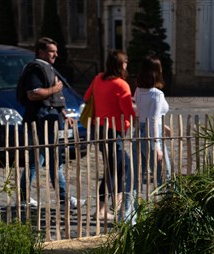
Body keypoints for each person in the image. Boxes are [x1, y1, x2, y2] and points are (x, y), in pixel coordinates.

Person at [19, 36, 85, 209]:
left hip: (49, 118)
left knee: (37, 161)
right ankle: (64, 200)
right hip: (42, 121)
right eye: (51, 51)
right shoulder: (37, 69)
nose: (56, 55)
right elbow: (33, 94)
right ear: (41, 52)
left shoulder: (47, 67)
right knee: (54, 160)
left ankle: (24, 198)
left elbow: (51, 100)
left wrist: (64, 114)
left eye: (56, 51)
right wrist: (55, 89)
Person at [83, 50, 136, 220]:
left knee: (117, 167)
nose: (127, 64)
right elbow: (127, 111)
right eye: (126, 61)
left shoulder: (98, 78)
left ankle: (115, 206)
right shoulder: (121, 84)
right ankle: (101, 210)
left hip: (99, 129)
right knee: (118, 167)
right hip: (114, 131)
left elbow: (86, 97)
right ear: (121, 65)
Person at [133, 55, 171, 188]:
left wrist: (163, 125)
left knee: (136, 177)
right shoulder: (157, 94)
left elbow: (142, 112)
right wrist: (157, 146)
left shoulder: (138, 90)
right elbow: (153, 119)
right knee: (164, 175)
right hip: (152, 134)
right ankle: (167, 207)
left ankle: (129, 208)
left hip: (140, 132)